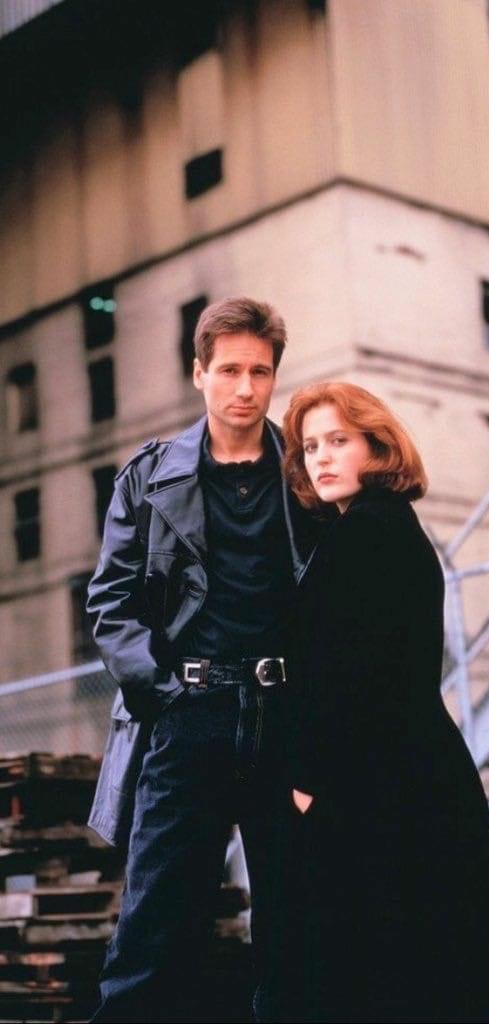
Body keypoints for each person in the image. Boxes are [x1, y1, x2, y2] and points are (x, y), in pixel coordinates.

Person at [255, 381, 489, 1024]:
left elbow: (354, 671)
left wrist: (306, 780)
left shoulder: (366, 534)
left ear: (377, 446)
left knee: (382, 969)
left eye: (338, 440)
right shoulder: (380, 527)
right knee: (432, 966)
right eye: (309, 447)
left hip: (373, 782)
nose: (321, 458)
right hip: (403, 771)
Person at [85, 297, 318, 1023]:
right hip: (188, 716)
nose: (245, 388)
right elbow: (111, 603)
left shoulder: (306, 475)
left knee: (298, 925)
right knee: (155, 924)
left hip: (287, 721)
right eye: (229, 370)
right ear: (199, 373)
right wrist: (162, 693)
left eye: (260, 372)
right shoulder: (149, 477)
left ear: (274, 377)